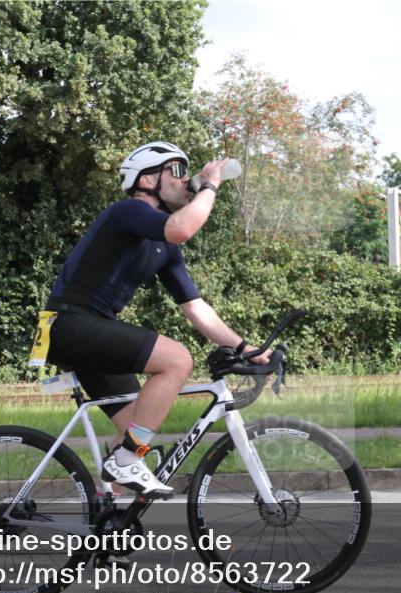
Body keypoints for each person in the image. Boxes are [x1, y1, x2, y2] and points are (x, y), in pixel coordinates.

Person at [40, 141, 270, 500]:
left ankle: (107, 518)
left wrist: (245, 347)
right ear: (147, 180)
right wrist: (209, 184)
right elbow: (182, 228)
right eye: (176, 171)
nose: (184, 180)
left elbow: (196, 308)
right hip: (70, 323)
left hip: (86, 332)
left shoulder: (165, 246)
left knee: (138, 422)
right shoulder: (128, 212)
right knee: (177, 360)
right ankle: (127, 459)